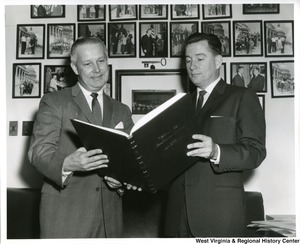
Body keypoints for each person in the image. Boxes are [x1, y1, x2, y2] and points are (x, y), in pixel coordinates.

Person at [28, 37, 137, 238]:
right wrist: (67, 164)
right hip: (65, 217)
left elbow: (130, 161)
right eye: (87, 63)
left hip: (110, 220)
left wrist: (121, 181)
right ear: (75, 68)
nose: (97, 69)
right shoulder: (54, 102)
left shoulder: (122, 110)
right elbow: (38, 153)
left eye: (101, 61)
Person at [164, 33, 266, 237]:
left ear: (218, 61)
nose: (192, 66)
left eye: (200, 59)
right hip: (176, 216)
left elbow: (256, 152)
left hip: (219, 216)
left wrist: (216, 151)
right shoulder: (179, 105)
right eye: (188, 60)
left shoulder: (242, 96)